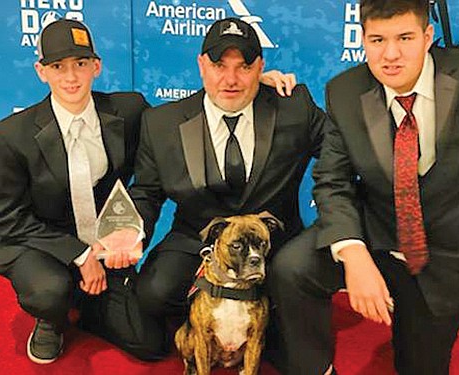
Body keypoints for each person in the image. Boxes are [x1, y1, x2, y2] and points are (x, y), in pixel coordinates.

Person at [269, 0, 459, 374]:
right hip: (378, 233)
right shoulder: (345, 91)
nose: (390, 55)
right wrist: (353, 253)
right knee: (293, 268)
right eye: (377, 40)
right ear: (362, 39)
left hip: (451, 257)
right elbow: (332, 180)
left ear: (427, 37)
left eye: (404, 37)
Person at [128, 17, 331, 359]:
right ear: (201, 65)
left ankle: (271, 319)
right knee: (153, 294)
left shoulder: (294, 107)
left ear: (261, 67)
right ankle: (207, 321)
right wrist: (130, 232)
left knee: (289, 350)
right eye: (220, 65)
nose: (231, 79)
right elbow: (147, 192)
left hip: (271, 245)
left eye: (245, 67)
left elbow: (342, 152)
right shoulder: (162, 123)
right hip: (197, 238)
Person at [0, 19, 148, 364]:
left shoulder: (129, 110)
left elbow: (179, 122)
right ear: (41, 71)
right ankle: (51, 317)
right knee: (50, 291)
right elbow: (9, 220)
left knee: (147, 343)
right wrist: (79, 255)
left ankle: (89, 304)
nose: (70, 77)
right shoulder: (12, 135)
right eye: (57, 66)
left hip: (103, 243)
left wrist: (252, 87)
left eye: (80, 64)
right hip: (40, 242)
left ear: (96, 67)